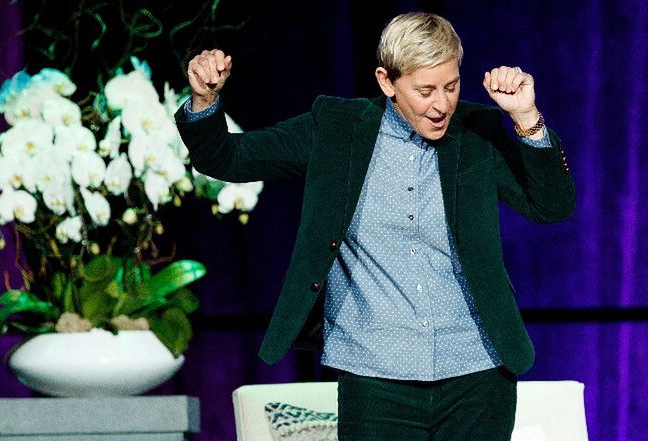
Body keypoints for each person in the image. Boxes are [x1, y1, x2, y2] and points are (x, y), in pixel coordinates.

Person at [175, 11, 574, 441]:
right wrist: (205, 101)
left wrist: (527, 118)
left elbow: (551, 206)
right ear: (387, 82)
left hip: (478, 373)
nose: (442, 105)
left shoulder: (478, 132)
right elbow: (227, 158)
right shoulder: (337, 130)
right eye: (425, 91)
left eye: (451, 86)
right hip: (374, 375)